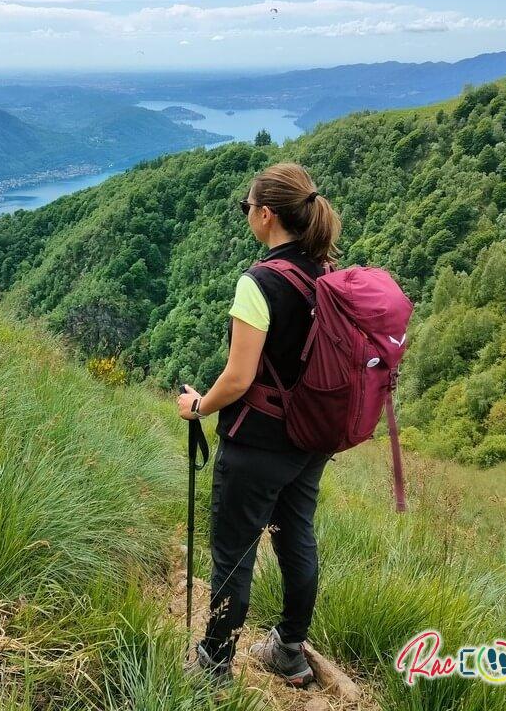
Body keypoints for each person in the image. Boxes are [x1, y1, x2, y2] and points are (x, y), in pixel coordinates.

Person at [177, 161, 341, 687]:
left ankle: (215, 663)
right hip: (309, 441)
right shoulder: (327, 274)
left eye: (247, 207)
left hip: (258, 445)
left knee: (233, 552)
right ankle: (289, 651)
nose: (246, 214)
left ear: (266, 214)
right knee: (297, 538)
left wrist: (199, 408)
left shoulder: (260, 282)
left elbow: (239, 377)